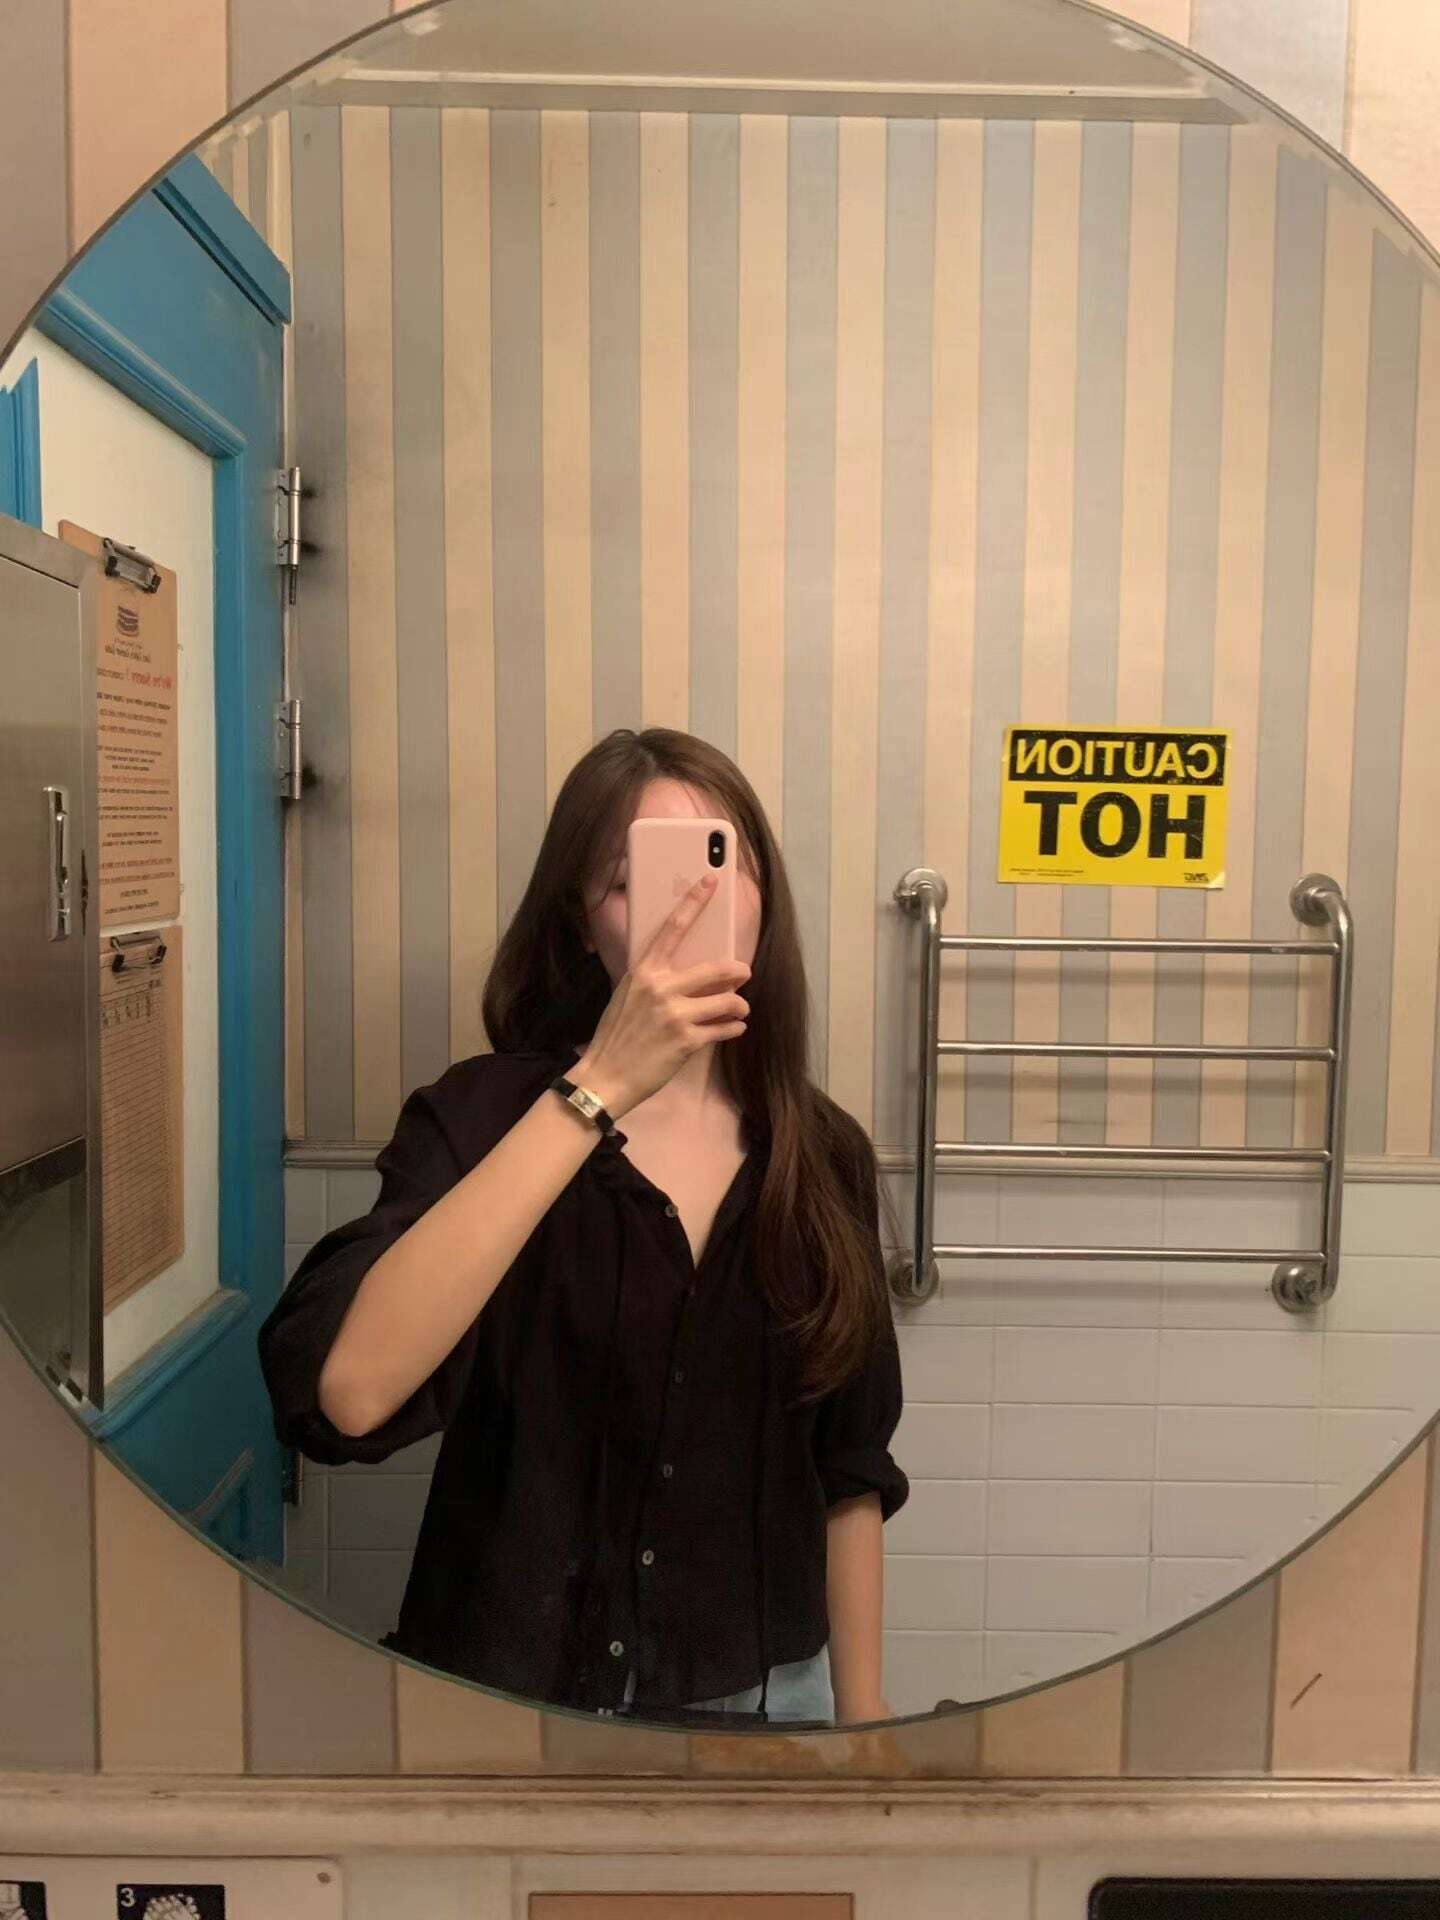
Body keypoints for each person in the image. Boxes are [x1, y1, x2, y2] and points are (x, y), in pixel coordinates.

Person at [257, 726, 909, 1726]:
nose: (689, 907)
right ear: (580, 923)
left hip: (763, 1703)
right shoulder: (478, 1119)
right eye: (630, 882)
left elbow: (848, 1468)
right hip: (503, 1697)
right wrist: (595, 1089)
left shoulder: (823, 1159)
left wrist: (865, 1731)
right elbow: (350, 1395)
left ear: (764, 897)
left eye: (721, 864)